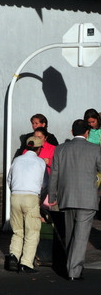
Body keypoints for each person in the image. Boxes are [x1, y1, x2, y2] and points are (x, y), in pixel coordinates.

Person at [48, 118, 101, 281]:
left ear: (72, 132)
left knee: (71, 234)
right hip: (87, 197)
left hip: (67, 197)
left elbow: (54, 174)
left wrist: (52, 195)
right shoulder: (95, 149)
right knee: (81, 236)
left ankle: (72, 264)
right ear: (88, 132)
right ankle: (74, 270)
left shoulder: (61, 149)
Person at [6, 135, 47, 273]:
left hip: (15, 195)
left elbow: (9, 179)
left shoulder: (17, 160)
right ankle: (26, 263)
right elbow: (45, 183)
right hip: (31, 197)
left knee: (17, 230)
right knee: (32, 230)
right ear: (39, 149)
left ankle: (13, 256)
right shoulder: (40, 162)